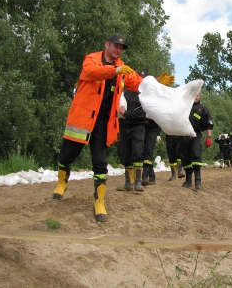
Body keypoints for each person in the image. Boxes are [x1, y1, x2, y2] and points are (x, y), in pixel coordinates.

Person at [52, 34, 174, 222]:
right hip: (83, 118)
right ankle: (61, 182)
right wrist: (115, 71)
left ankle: (99, 201)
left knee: (100, 162)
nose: (118, 50)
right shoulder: (92, 59)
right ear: (107, 45)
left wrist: (157, 83)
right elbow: (92, 72)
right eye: (116, 46)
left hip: (104, 122)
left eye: (121, 48)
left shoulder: (123, 67)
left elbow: (139, 84)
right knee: (67, 155)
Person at [179, 93, 213, 190]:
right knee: (185, 158)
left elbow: (208, 124)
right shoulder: (184, 106)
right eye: (193, 95)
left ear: (200, 96)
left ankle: (198, 180)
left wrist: (209, 137)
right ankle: (188, 180)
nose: (195, 97)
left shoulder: (202, 109)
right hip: (183, 135)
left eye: (197, 95)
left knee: (196, 156)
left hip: (195, 135)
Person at [117, 89, 147, 193]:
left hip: (137, 127)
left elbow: (142, 113)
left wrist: (126, 113)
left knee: (137, 151)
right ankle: (128, 183)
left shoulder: (144, 95)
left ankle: (138, 182)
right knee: (124, 154)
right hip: (123, 126)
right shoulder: (123, 93)